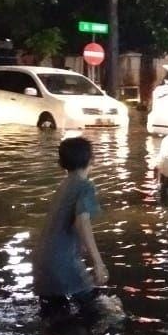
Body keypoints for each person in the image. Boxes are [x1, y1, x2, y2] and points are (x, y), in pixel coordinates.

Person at [33, 136, 108, 319]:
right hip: (62, 262)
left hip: (42, 261)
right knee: (100, 312)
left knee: (53, 319)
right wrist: (98, 263)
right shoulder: (85, 186)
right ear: (92, 159)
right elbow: (82, 223)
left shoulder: (64, 185)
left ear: (61, 162)